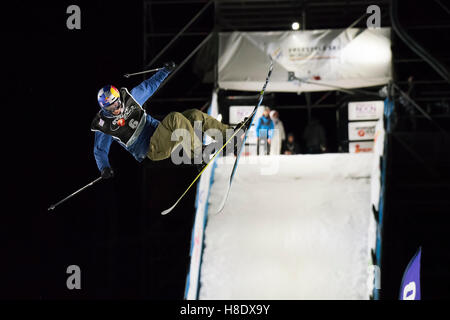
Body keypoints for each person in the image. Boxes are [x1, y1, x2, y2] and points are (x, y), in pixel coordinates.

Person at [92, 62, 240, 178]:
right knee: (174, 118)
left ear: (119, 98)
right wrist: (104, 167)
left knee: (194, 115)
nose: (116, 109)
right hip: (151, 150)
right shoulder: (105, 124)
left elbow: (149, 86)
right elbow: (100, 150)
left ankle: (228, 136)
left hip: (161, 133)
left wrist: (165, 71)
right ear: (105, 109)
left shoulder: (131, 98)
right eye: (111, 109)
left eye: (117, 104)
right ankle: (198, 156)